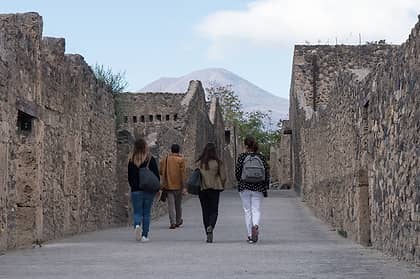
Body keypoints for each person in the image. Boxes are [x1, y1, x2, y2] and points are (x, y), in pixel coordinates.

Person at [235, 135, 269, 244]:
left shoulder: (242, 157)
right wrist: (265, 186)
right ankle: (256, 225)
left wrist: (240, 182)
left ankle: (250, 235)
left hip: (244, 186)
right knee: (256, 209)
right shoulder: (261, 157)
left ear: (245, 145)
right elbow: (266, 173)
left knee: (247, 210)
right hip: (258, 186)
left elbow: (238, 172)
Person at [128, 138, 160, 242]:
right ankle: (144, 236)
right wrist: (157, 188)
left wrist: (133, 187)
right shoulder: (150, 159)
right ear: (145, 147)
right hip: (148, 190)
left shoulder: (131, 160)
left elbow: (130, 177)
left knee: (137, 212)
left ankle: (137, 225)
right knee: (146, 213)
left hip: (136, 190)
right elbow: (156, 175)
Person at [197, 143, 226, 243]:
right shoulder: (218, 162)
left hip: (202, 189)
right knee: (214, 211)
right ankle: (211, 226)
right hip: (214, 188)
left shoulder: (200, 162)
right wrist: (222, 184)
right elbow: (223, 177)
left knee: (205, 211)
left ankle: (207, 231)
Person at [159, 144, 187, 229]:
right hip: (178, 186)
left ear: (171, 150)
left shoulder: (165, 159)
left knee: (171, 205)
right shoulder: (181, 160)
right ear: (178, 150)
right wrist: (184, 186)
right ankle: (178, 221)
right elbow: (183, 174)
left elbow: (160, 171)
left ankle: (172, 222)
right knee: (178, 205)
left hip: (168, 185)